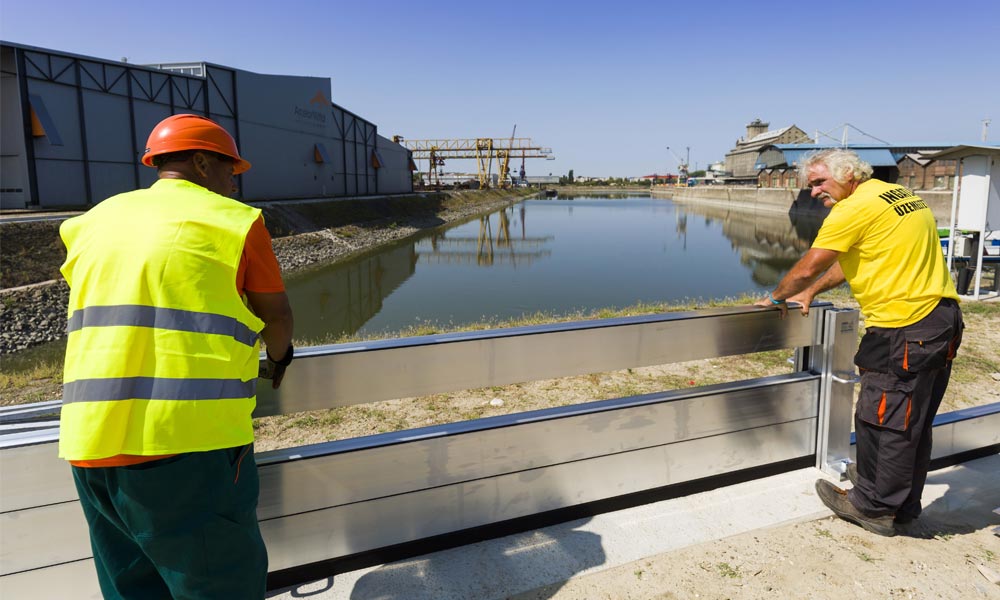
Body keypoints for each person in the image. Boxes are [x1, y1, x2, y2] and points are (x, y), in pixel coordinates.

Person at [58, 113, 294, 598]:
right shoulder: (236, 223)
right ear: (203, 163)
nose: (235, 181)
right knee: (218, 581)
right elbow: (277, 318)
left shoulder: (92, 221)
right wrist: (280, 357)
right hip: (188, 446)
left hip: (90, 442)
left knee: (130, 585)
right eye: (232, 169)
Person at [755, 148, 963, 537]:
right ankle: (901, 504)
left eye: (819, 182)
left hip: (903, 328)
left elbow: (810, 263)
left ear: (848, 173)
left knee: (883, 421)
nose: (814, 192)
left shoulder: (851, 210)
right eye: (810, 185)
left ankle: (872, 506)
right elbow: (851, 262)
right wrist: (813, 291)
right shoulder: (897, 196)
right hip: (941, 319)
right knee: (913, 420)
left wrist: (776, 297)